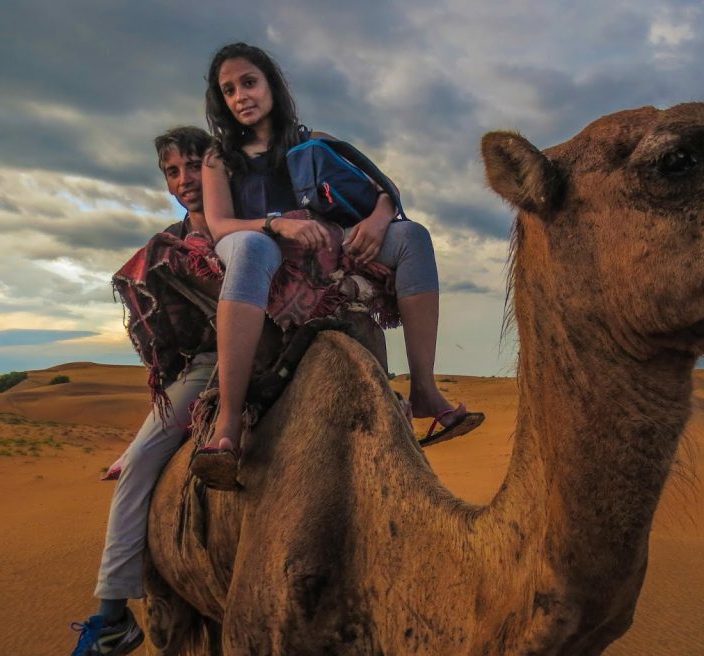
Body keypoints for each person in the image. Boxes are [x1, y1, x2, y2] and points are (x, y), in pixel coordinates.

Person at [191, 43, 484, 487]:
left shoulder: (314, 141)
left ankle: (425, 389)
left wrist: (379, 221)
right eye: (228, 90)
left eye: (249, 83)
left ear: (270, 85)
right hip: (255, 242)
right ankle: (228, 423)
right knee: (252, 248)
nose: (240, 97)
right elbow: (219, 226)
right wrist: (278, 224)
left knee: (412, 237)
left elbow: (385, 189)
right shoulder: (220, 158)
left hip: (321, 245)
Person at [50, 126, 219, 656]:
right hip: (207, 367)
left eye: (194, 165)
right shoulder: (166, 248)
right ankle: (112, 617)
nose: (185, 179)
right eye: (173, 171)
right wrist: (143, 438)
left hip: (285, 354)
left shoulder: (254, 222)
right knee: (139, 469)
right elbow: (169, 346)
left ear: (217, 166)